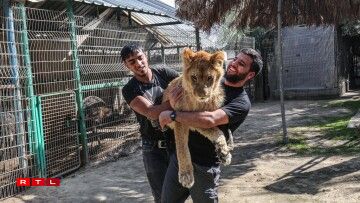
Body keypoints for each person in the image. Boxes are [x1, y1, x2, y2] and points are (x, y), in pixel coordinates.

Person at [159, 48, 263, 203]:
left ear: (250, 75)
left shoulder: (241, 102)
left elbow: (208, 120)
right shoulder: (215, 77)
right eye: (235, 59)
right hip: (180, 158)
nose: (234, 64)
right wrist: (173, 101)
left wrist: (174, 114)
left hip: (205, 163)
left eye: (241, 64)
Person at [120, 43, 179, 203]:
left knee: (182, 190)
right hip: (153, 148)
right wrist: (176, 102)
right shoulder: (129, 89)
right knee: (162, 196)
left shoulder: (164, 73)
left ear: (146, 56)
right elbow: (151, 112)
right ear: (126, 65)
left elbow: (186, 86)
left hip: (177, 140)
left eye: (140, 58)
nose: (138, 63)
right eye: (132, 61)